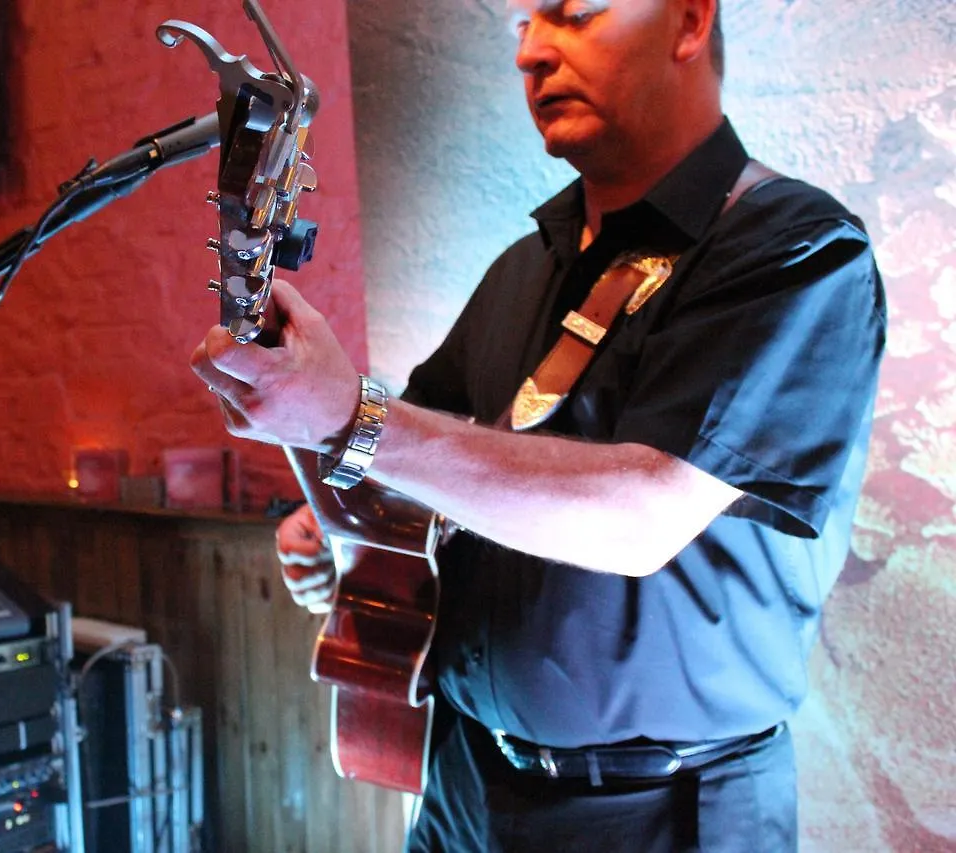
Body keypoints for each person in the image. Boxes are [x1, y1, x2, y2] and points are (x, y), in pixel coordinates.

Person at [190, 0, 886, 849]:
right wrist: (337, 521)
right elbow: (414, 456)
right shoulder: (526, 265)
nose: (533, 52)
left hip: (659, 812)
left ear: (690, 21)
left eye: (573, 12)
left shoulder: (799, 249)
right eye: (522, 25)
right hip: (460, 782)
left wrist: (349, 415)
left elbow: (643, 515)